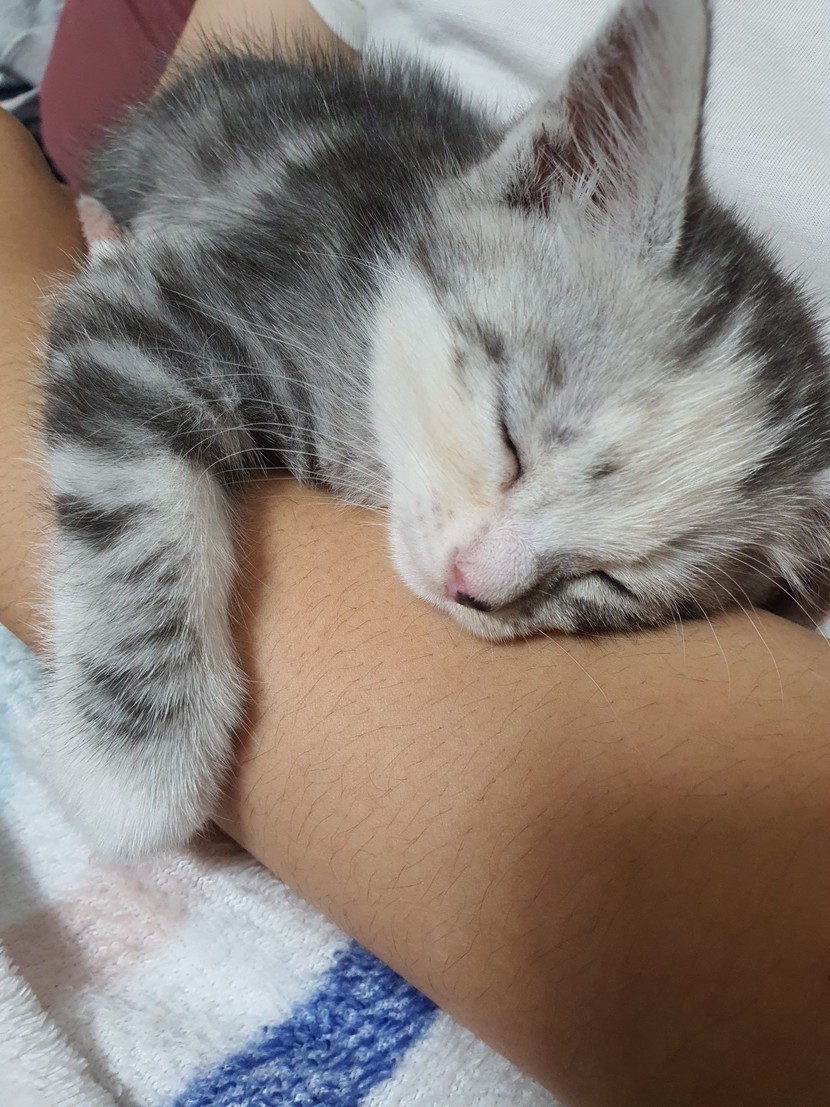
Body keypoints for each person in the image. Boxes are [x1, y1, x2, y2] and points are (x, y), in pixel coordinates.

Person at [1, 1, 829, 1103]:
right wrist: (142, 690)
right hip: (209, 159)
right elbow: (118, 331)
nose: (484, 581)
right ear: (546, 177)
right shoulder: (372, 317)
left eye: (608, 579)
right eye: (508, 443)